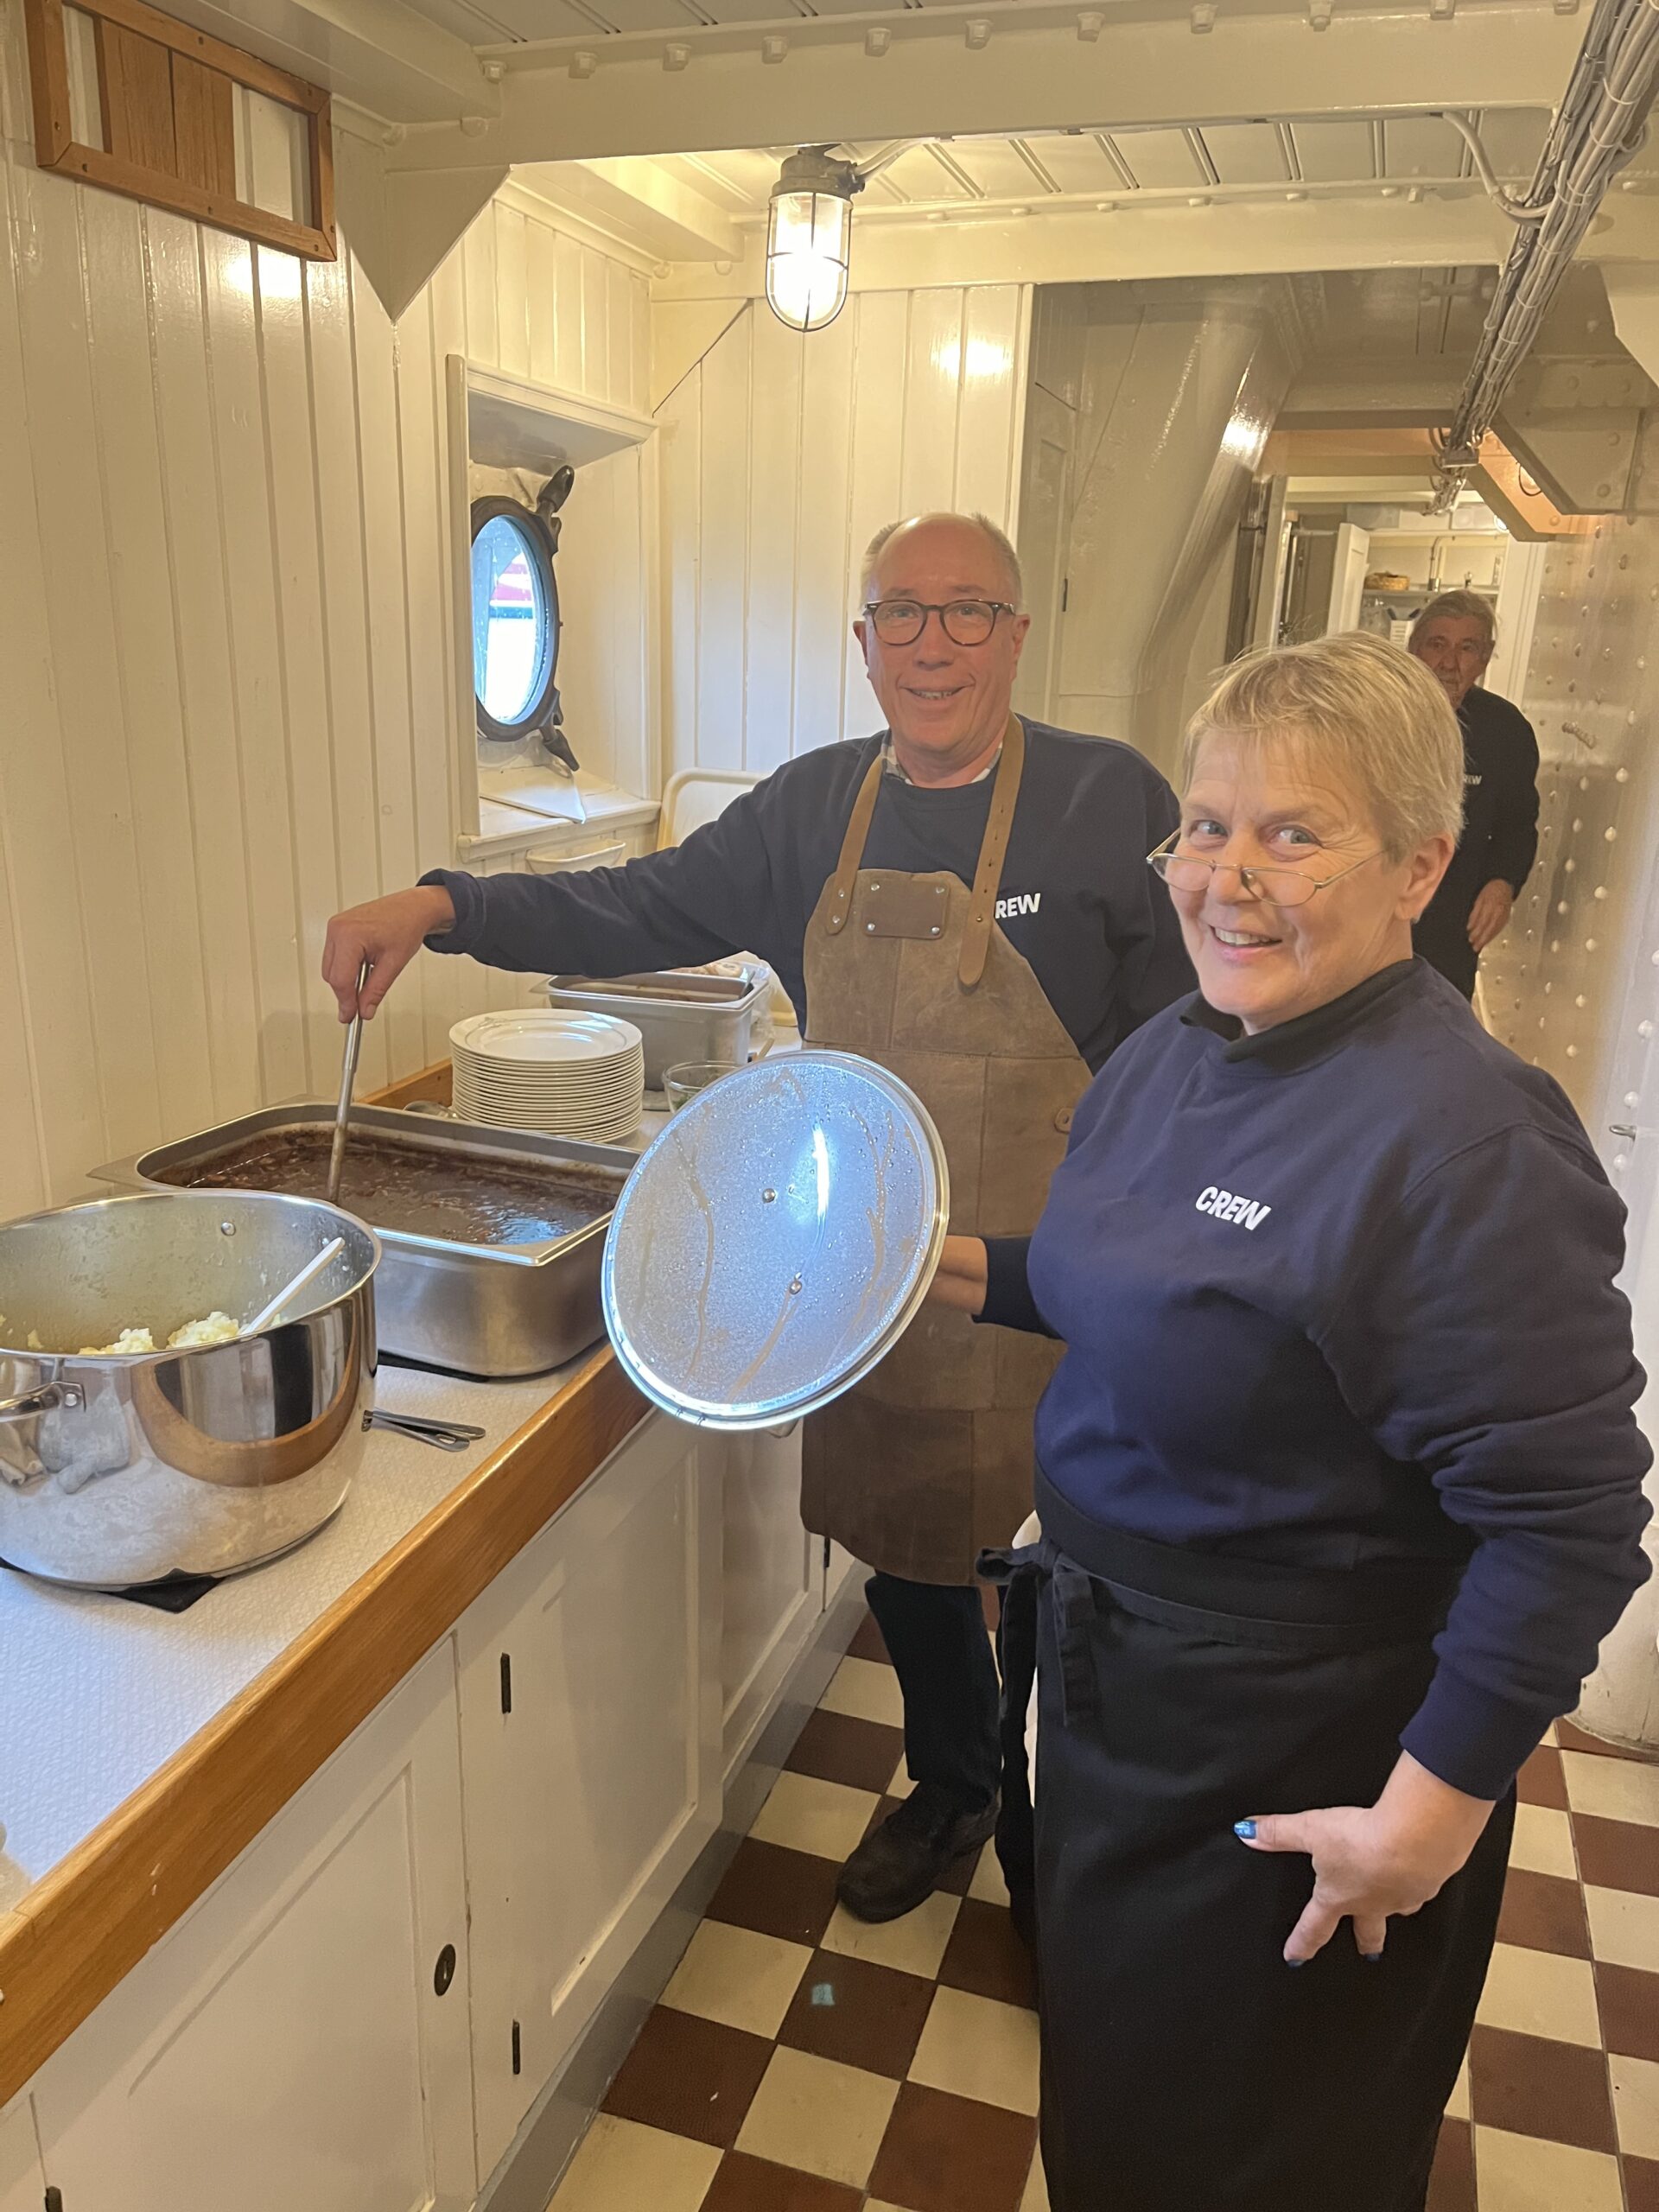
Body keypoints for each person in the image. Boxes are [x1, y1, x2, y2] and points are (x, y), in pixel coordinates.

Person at [321, 511, 1192, 1928]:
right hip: (877, 1270)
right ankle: (957, 1778)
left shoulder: (1109, 799)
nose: (932, 643)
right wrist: (441, 902)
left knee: (1063, 1574)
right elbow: (636, 906)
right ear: (861, 645)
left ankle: (1061, 1850)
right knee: (905, 1544)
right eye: (899, 615)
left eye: (968, 611)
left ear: (1019, 635)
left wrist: (1176, 1239)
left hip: (1062, 1273)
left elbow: (1188, 1041)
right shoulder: (811, 811)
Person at [928, 632, 1651, 2212]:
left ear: (1422, 865)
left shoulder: (1463, 1143)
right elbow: (1148, 1287)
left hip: (1297, 1750)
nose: (1227, 877)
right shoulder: (1177, 1053)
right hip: (1117, 1698)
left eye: (1293, 833)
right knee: (1120, 2117)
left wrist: (1423, 1820)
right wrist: (948, 1269)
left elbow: (1574, 1517)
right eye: (1206, 826)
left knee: (1257, 2156)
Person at [1407, 589, 1541, 999]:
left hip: (1453, 914)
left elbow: (1518, 824)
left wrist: (1503, 883)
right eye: (1438, 644)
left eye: (1468, 648)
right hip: (1368, 900)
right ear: (1414, 647)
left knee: (1438, 1024)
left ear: (1485, 658)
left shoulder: (1506, 730)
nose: (1449, 663)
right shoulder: (1373, 713)